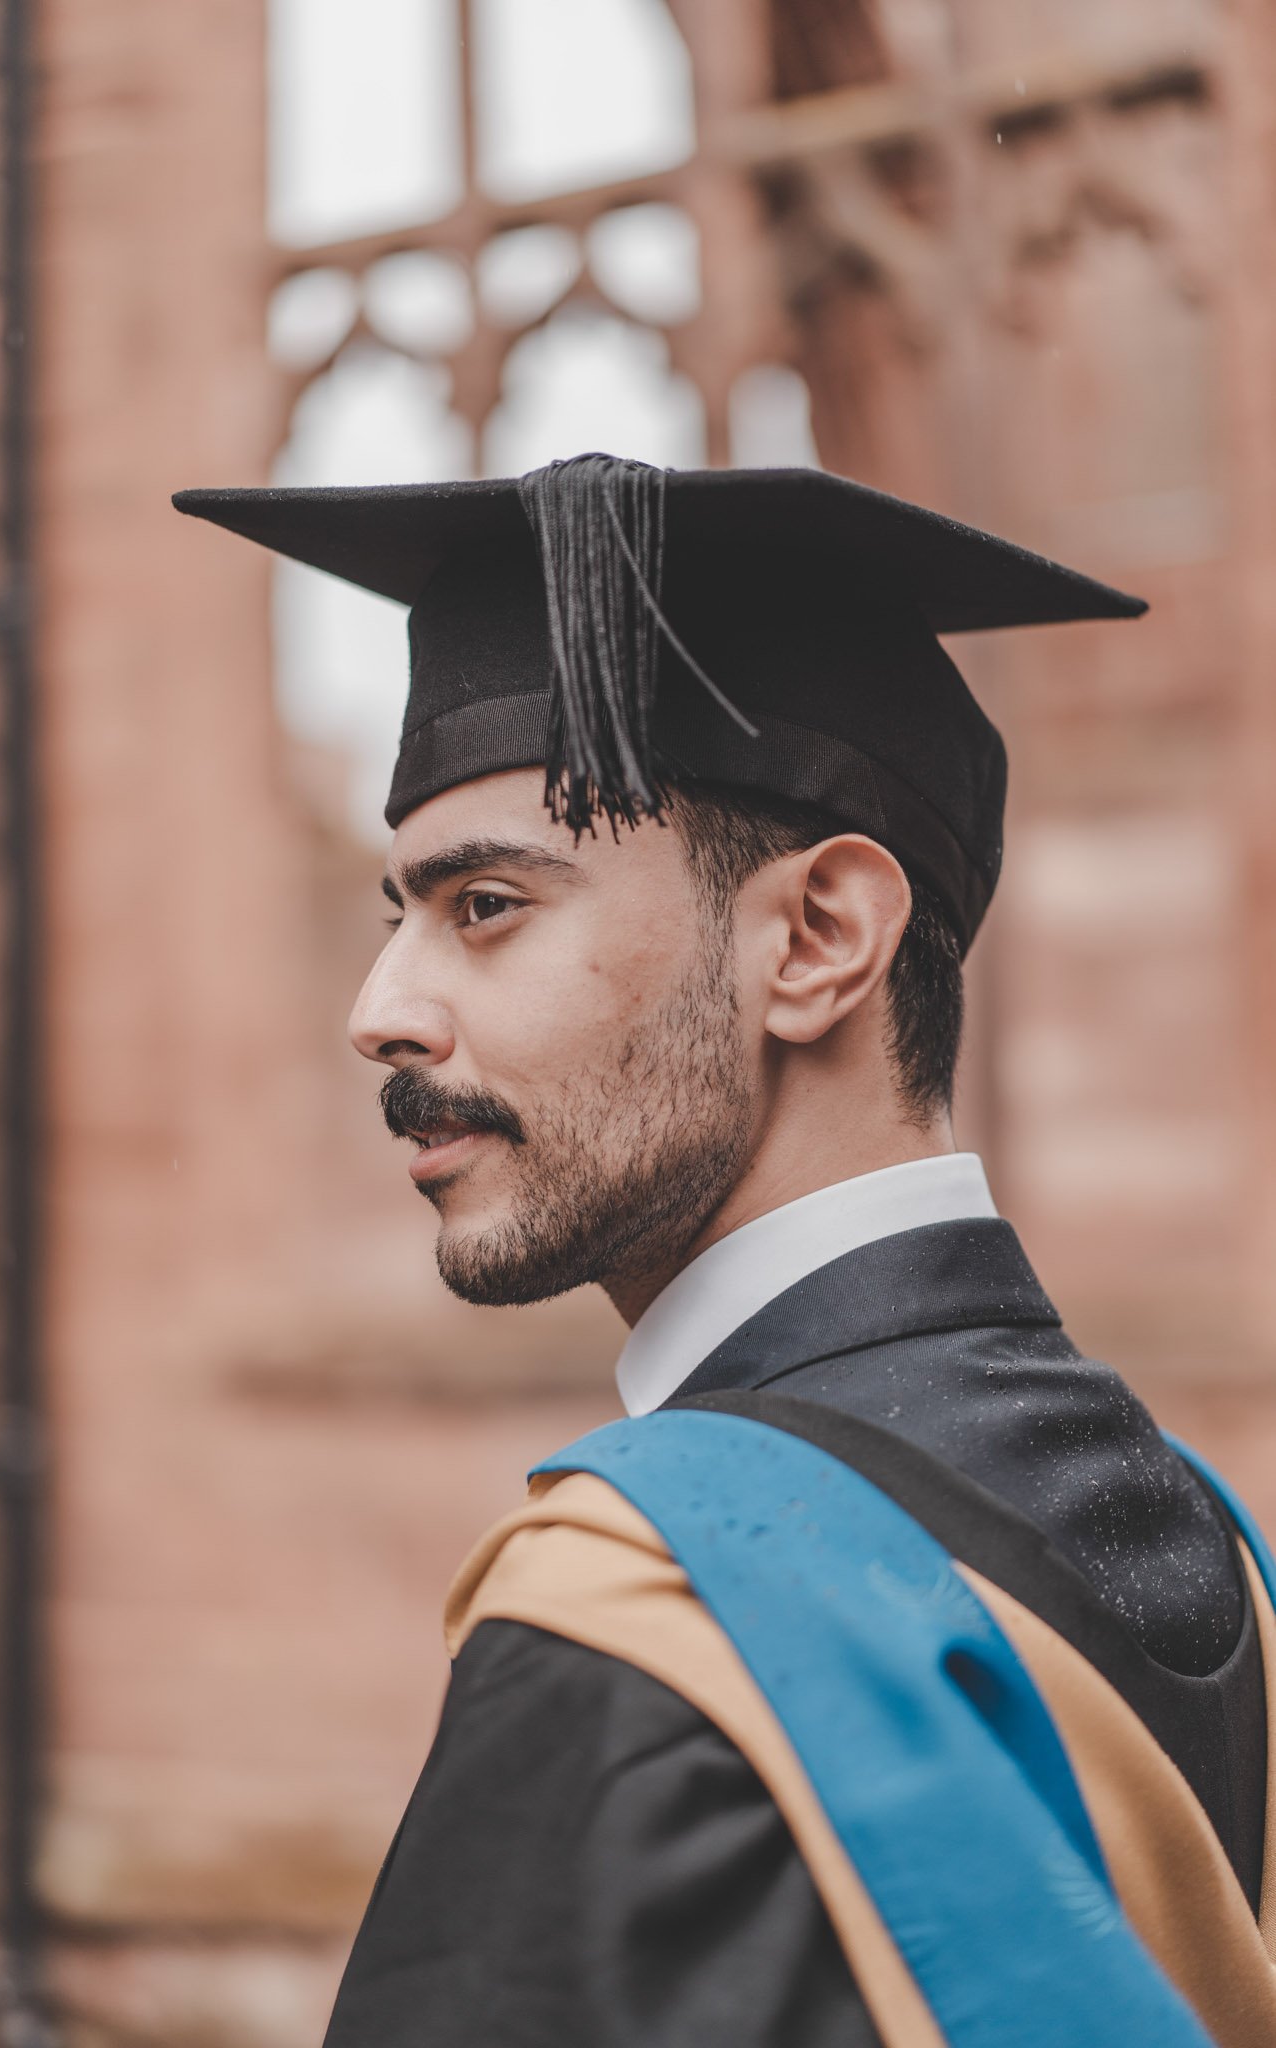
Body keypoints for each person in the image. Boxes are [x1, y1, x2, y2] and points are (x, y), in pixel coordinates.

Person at [175, 455, 1274, 2046]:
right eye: (392, 913)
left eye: (486, 905)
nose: (379, 1012)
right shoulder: (1195, 1537)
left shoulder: (643, 1622)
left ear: (817, 938)